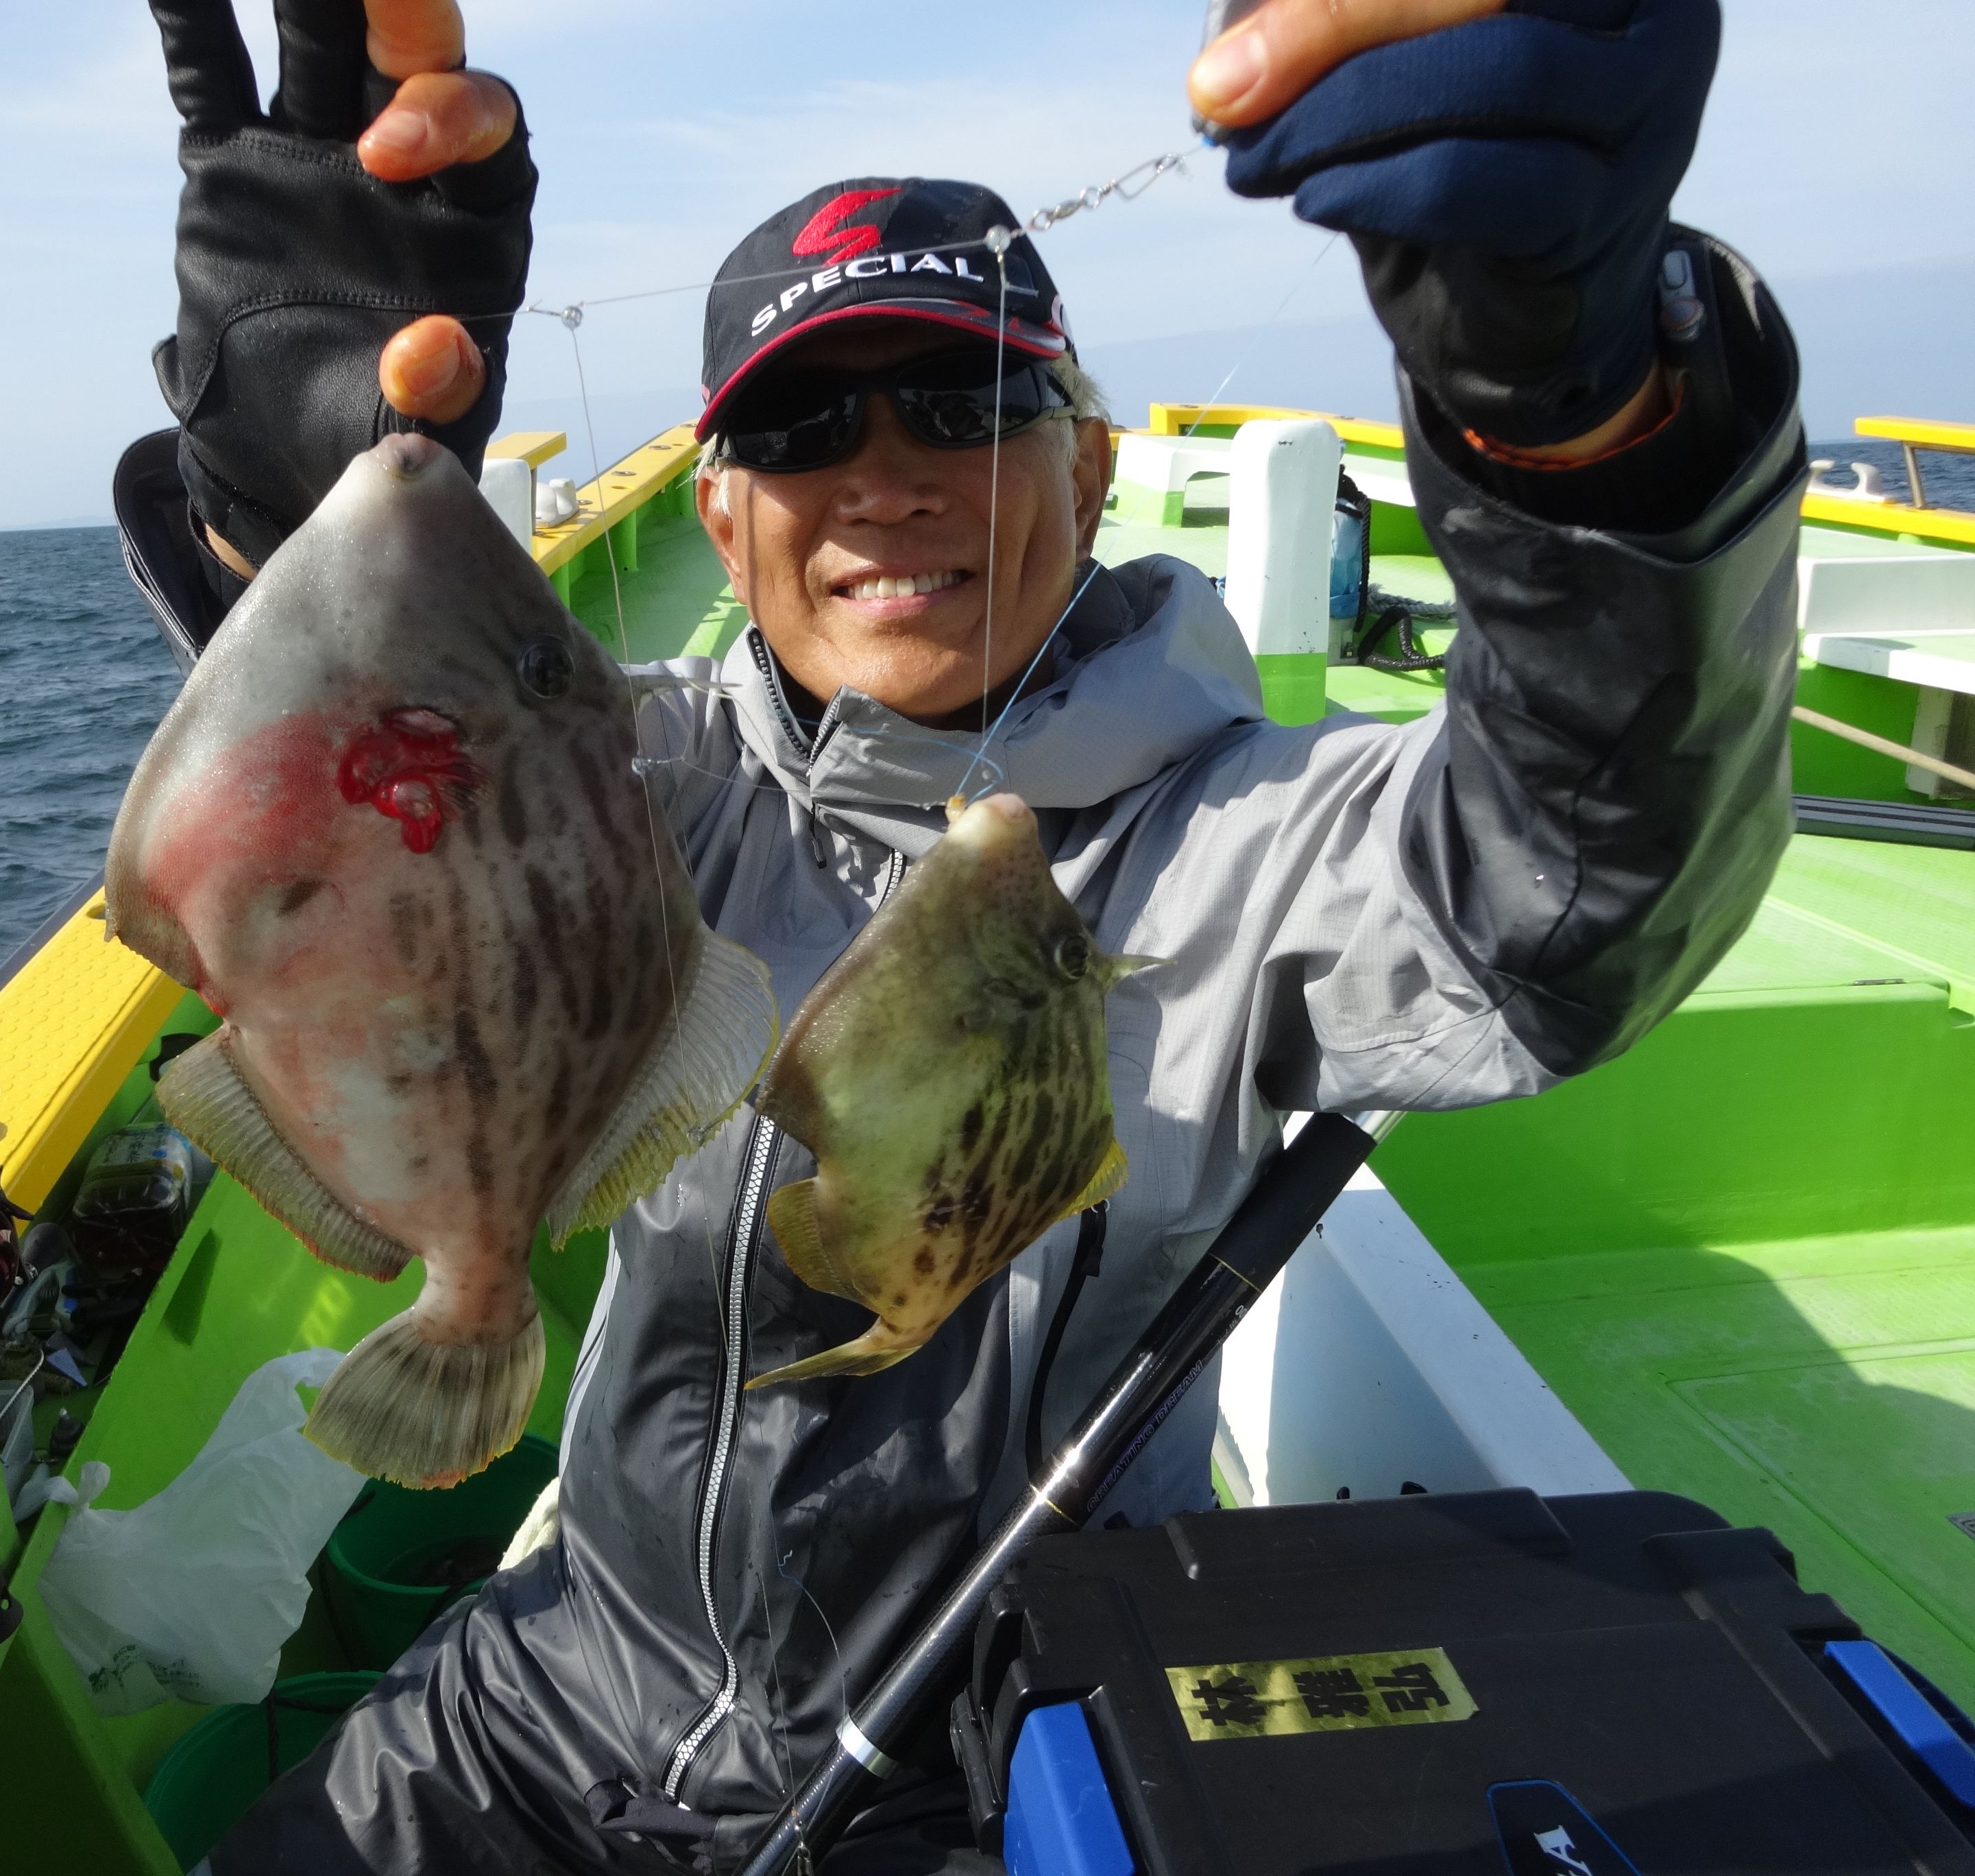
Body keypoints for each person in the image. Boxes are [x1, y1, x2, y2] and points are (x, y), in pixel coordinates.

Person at [114, 1, 1802, 1868]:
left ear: (1088, 468)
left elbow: (1578, 880)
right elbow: (372, 797)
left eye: (966, 402)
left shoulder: (1243, 838)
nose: (884, 474)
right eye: (802, 424)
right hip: (560, 1684)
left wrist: (1581, 421)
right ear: (723, 517)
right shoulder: (636, 781)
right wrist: (289, 518)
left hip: (978, 1756)